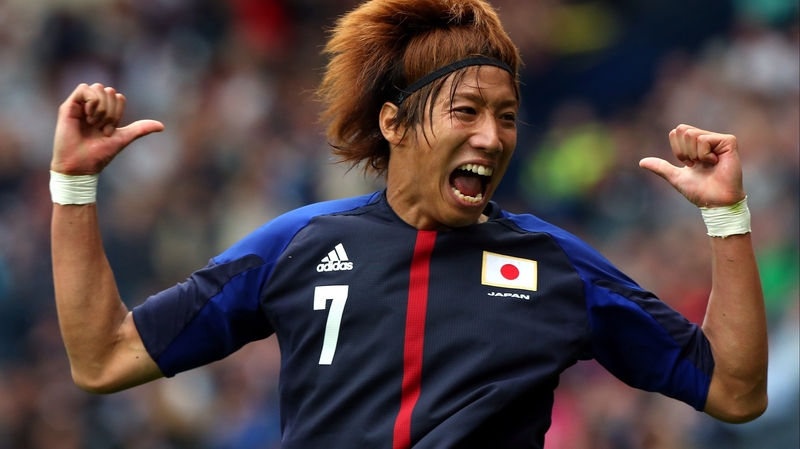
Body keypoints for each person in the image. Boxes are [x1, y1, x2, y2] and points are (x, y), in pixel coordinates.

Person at [49, 0, 767, 447]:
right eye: (465, 111)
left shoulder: (560, 268)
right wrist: (74, 185)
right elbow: (104, 358)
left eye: (507, 116)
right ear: (394, 122)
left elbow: (733, 391)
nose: (492, 136)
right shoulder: (298, 245)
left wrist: (727, 217)